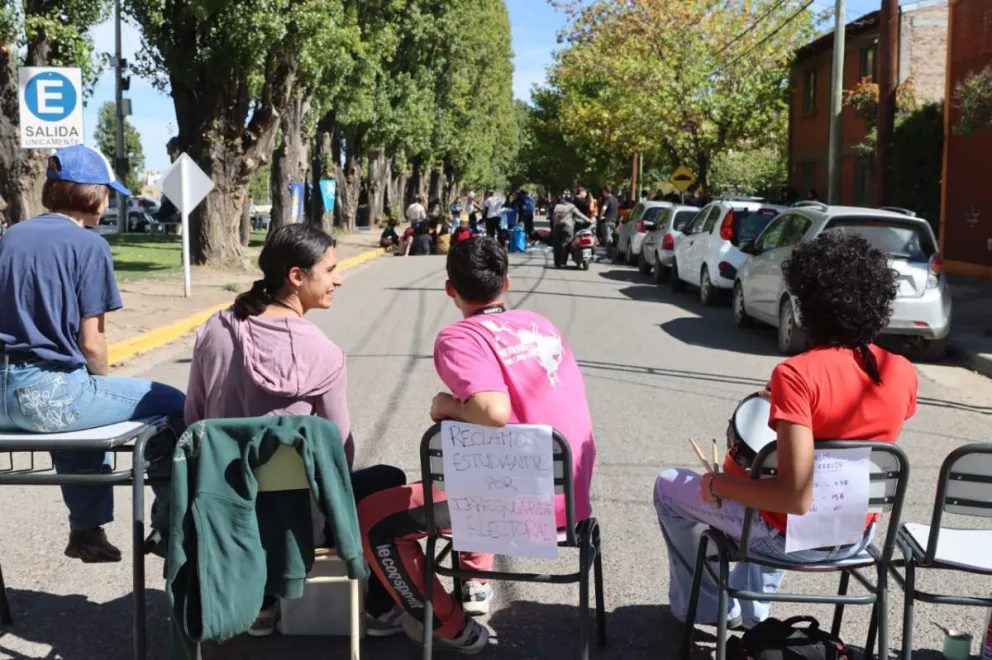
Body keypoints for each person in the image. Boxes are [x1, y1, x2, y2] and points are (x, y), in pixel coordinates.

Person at [653, 230, 917, 629]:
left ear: (805, 302)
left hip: (789, 542)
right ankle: (754, 611)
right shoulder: (901, 371)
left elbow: (794, 497)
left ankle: (710, 608)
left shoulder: (796, 374)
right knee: (770, 492)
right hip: (856, 537)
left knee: (669, 487)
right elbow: (856, 432)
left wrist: (716, 485)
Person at [357, 237, 597, 654]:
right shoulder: (541, 325)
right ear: (507, 282)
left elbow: (492, 411)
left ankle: (453, 629)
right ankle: (473, 583)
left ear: (450, 289)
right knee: (472, 458)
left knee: (375, 520)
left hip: (517, 506)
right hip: (572, 502)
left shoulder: (459, 338)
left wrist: (445, 403)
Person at [183, 223, 410, 638]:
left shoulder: (215, 330)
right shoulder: (324, 353)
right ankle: (377, 608)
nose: (339, 278)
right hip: (297, 521)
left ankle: (263, 605)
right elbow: (338, 457)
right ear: (296, 276)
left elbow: (194, 422)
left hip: (220, 506)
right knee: (389, 481)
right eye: (330, 270)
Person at [0, 144, 186, 563]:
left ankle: (87, 532)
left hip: (2, 395)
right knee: (177, 405)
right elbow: (92, 344)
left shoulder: (9, 238)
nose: (110, 200)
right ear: (91, 194)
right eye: (107, 191)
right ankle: (169, 522)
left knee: (77, 416)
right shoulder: (89, 247)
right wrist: (97, 383)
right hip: (47, 396)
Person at [550, 194, 592, 268]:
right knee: (566, 245)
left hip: (556, 227)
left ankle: (556, 263)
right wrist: (589, 220)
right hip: (567, 227)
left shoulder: (557, 206)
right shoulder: (571, 206)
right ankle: (563, 263)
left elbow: (552, 217)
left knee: (557, 246)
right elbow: (579, 214)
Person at [598, 186, 619, 261]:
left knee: (607, 239)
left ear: (605, 191)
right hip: (614, 221)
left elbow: (604, 208)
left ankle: (608, 257)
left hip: (607, 221)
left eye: (603, 192)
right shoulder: (615, 199)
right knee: (611, 239)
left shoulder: (608, 199)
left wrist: (600, 216)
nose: (603, 193)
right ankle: (610, 256)